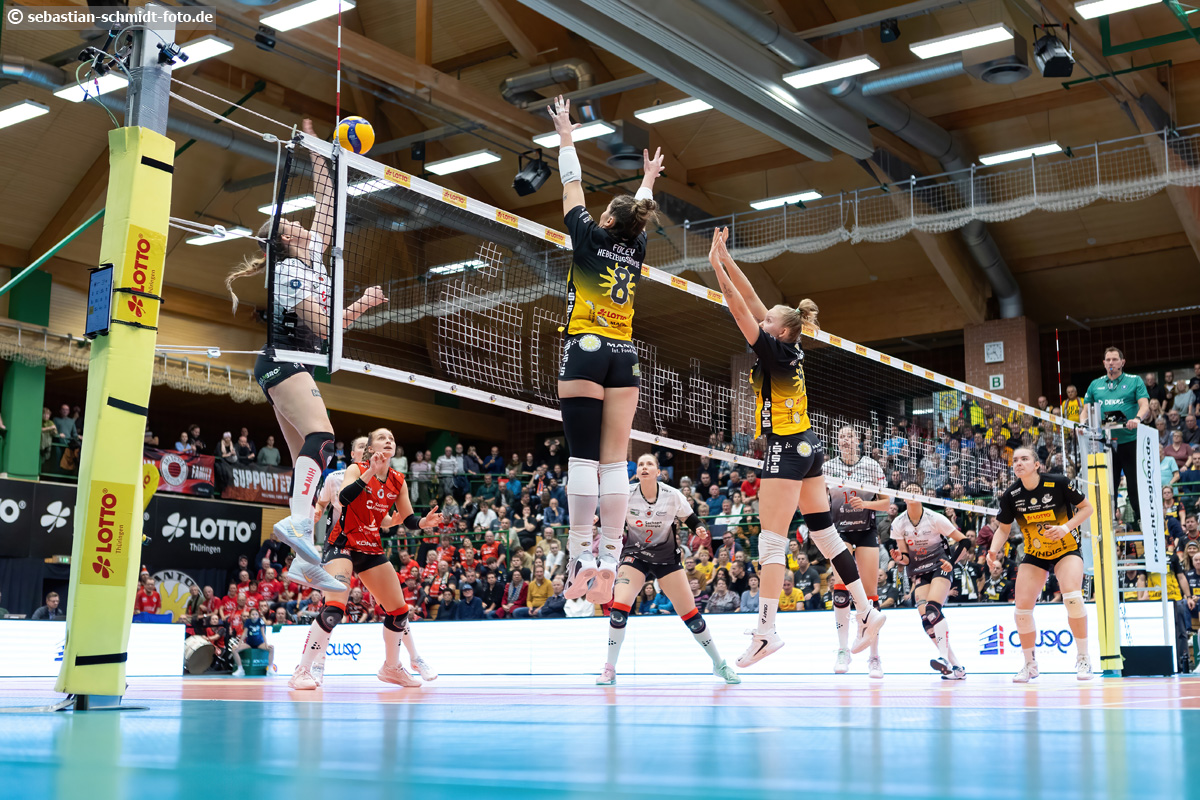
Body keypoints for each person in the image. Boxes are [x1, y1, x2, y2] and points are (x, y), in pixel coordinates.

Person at [707, 228, 884, 668]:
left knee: (771, 541)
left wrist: (715, 269)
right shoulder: (789, 346)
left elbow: (737, 305)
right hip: (809, 446)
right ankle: (867, 611)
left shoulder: (773, 351)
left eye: (767, 321)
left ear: (780, 330)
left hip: (786, 448)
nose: (761, 320)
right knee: (824, 534)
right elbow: (753, 299)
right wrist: (726, 257)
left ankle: (766, 632)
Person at [226, 117, 387, 595]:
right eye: (290, 224)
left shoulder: (311, 256)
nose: (298, 222)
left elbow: (328, 203)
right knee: (324, 437)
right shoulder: (289, 273)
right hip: (282, 361)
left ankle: (301, 559)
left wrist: (320, 152)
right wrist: (360, 304)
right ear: (282, 239)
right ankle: (298, 526)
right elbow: (324, 329)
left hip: (289, 364)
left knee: (308, 458)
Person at [547, 94, 664, 606]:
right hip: (624, 354)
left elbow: (571, 184)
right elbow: (636, 214)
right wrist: (648, 181)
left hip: (586, 347)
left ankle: (579, 553)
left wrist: (566, 136)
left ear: (609, 221)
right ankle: (611, 557)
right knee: (615, 462)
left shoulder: (589, 236)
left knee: (582, 457)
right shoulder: (635, 246)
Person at [288, 428, 443, 690]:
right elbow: (345, 498)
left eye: (392, 438)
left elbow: (407, 519)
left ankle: (391, 668)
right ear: (371, 448)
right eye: (382, 438)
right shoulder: (355, 469)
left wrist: (423, 523)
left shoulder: (398, 480)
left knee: (399, 612)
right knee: (333, 610)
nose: (389, 440)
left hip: (370, 547)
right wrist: (370, 471)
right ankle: (301, 671)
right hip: (342, 544)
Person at [597, 453, 739, 685]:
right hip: (635, 556)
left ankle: (719, 665)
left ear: (658, 472)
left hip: (666, 560)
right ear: (637, 472)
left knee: (693, 618)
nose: (644, 467)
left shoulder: (672, 495)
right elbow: (607, 514)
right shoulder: (626, 494)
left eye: (649, 464)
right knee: (618, 610)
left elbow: (691, 518)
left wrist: (699, 528)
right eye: (640, 464)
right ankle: (609, 669)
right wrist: (596, 519)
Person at [988, 448, 1095, 682]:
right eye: (1015, 460)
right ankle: (1030, 664)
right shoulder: (1011, 494)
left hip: (1066, 549)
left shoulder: (1058, 483)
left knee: (1073, 599)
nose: (1019, 463)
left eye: (1024, 459)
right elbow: (1003, 529)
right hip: (1036, 553)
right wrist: (993, 551)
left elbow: (1087, 508)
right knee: (1021, 612)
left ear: (1037, 465)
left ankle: (1083, 658)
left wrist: (1065, 528)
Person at [822, 424, 890, 677]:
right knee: (840, 590)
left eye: (850, 436)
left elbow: (887, 503)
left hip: (865, 530)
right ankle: (843, 651)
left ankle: (874, 657)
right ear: (837, 442)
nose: (845, 440)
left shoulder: (872, 466)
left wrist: (866, 504)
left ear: (858, 440)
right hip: (839, 532)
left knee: (871, 596)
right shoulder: (828, 467)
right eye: (841, 436)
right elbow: (819, 499)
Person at [889, 483, 970, 680]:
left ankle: (943, 658)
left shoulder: (935, 518)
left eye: (916, 491)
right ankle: (957, 668)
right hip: (919, 571)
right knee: (927, 622)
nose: (912, 494)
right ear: (903, 497)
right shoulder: (898, 523)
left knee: (933, 610)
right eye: (908, 491)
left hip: (941, 567)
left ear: (923, 495)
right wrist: (899, 558)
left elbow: (965, 541)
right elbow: (905, 558)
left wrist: (952, 562)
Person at [1081, 347, 1149, 523]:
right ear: (1104, 363)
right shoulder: (1095, 384)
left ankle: (1142, 521)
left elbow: (1144, 405)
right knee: (1108, 485)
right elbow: (1086, 410)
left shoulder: (1134, 381)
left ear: (1122, 362)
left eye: (1115, 359)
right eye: (1108, 360)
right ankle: (1108, 522)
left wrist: (1137, 419)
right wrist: (1082, 424)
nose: (1111, 363)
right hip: (1106, 443)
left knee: (1134, 485)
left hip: (1130, 441)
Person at [231, 608, 274, 677]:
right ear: (250, 616)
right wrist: (239, 644)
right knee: (234, 649)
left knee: (271, 648)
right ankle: (240, 669)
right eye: (253, 614)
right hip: (249, 644)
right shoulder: (248, 622)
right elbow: (244, 634)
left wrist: (266, 644)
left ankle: (270, 669)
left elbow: (263, 633)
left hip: (259, 643)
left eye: (256, 614)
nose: (255, 616)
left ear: (258, 615)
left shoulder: (260, 621)